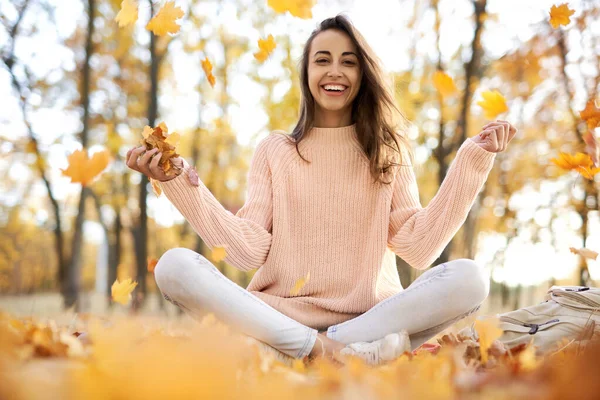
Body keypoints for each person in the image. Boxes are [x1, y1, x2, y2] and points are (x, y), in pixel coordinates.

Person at [126, 14, 517, 366]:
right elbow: (246, 251)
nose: (335, 71)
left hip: (367, 323)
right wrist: (178, 183)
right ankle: (325, 353)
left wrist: (472, 159)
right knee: (175, 264)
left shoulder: (388, 150)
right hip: (279, 317)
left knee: (471, 278)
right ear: (307, 73)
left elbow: (419, 248)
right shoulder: (275, 150)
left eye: (349, 61)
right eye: (323, 60)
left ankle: (295, 352)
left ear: (364, 74)